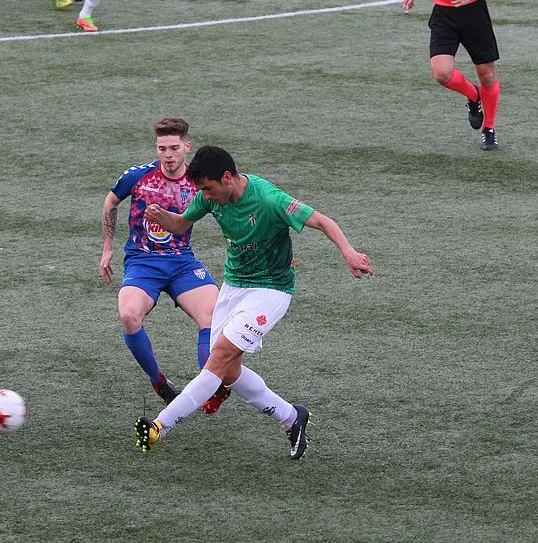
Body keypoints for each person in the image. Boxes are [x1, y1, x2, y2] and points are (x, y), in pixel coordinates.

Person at [137, 145, 374, 460]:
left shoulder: (269, 199)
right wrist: (161, 216)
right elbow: (180, 224)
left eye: (208, 189)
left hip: (270, 290)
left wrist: (349, 252)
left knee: (218, 358)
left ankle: (159, 427)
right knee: (228, 372)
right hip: (233, 286)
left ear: (227, 178)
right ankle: (292, 417)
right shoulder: (210, 198)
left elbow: (321, 221)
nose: (205, 196)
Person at [101, 118, 232, 412]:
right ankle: (158, 381)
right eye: (162, 148)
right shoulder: (138, 176)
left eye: (174, 148)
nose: (168, 155)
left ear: (187, 146)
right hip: (142, 263)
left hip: (182, 262)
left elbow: (229, 206)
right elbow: (110, 202)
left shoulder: (198, 182)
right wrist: (107, 249)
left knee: (214, 319)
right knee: (129, 316)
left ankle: (212, 387)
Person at [402, 0, 508, 151]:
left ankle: (489, 129)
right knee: (441, 73)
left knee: (487, 75)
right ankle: (474, 95)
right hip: (443, 15)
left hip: (473, 12)